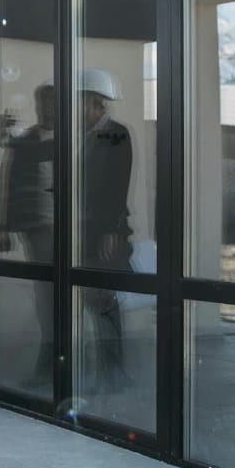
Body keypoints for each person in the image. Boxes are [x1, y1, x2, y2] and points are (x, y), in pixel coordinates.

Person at [0, 82, 56, 389]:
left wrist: (9, 140)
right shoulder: (30, 140)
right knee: (47, 298)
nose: (47, 108)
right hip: (40, 229)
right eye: (42, 102)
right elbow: (10, 181)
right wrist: (4, 228)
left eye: (52, 102)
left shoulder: (74, 137)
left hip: (78, 229)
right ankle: (49, 366)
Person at [77, 69, 133, 393]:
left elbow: (117, 184)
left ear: (97, 104)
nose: (81, 109)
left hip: (106, 233)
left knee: (104, 299)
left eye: (85, 103)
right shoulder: (87, 135)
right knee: (94, 299)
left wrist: (111, 230)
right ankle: (106, 367)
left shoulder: (116, 134)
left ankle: (114, 369)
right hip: (89, 230)